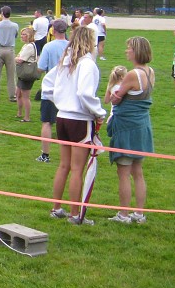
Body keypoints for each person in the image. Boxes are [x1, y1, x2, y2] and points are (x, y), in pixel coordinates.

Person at [42, 25, 106, 225]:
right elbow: (85, 94)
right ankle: (75, 214)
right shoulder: (87, 64)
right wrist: (99, 112)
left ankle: (56, 208)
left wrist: (61, 102)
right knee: (77, 168)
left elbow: (47, 85)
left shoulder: (65, 61)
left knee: (64, 165)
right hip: (78, 119)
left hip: (62, 117)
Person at [105, 37, 154, 225]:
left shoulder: (133, 74)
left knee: (124, 172)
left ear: (136, 52)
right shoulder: (150, 72)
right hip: (142, 126)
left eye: (129, 49)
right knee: (138, 171)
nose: (126, 51)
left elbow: (115, 99)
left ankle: (123, 214)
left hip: (127, 128)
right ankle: (139, 213)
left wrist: (113, 89)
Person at [36, 19, 70, 162]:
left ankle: (45, 154)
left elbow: (40, 68)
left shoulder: (49, 47)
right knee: (68, 122)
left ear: (53, 31)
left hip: (51, 89)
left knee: (47, 122)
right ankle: (69, 155)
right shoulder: (72, 47)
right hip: (68, 89)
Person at [0, 6, 19, 102]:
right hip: (10, 50)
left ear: (2, 13)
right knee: (11, 74)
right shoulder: (15, 25)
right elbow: (15, 35)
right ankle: (12, 96)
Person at [14, 26, 38, 123]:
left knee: (25, 96)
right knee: (18, 93)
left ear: (29, 36)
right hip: (22, 74)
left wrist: (15, 58)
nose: (22, 36)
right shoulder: (26, 45)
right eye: (22, 34)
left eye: (24, 34)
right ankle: (19, 113)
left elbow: (20, 59)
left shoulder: (29, 46)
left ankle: (27, 117)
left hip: (27, 74)